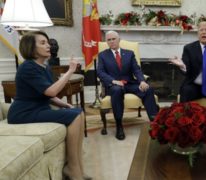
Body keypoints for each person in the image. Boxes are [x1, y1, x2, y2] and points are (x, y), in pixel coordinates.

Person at [7, 31, 88, 180]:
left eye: (47, 42)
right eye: (43, 43)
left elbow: (47, 95)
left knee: (79, 111)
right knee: (75, 116)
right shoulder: (27, 67)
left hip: (39, 108)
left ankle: (78, 166)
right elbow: (51, 91)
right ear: (31, 47)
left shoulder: (44, 67)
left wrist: (65, 104)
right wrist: (70, 71)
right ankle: (73, 169)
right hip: (24, 113)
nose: (48, 46)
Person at [97, 31, 159, 140]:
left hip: (129, 83)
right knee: (117, 91)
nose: (111, 41)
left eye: (113, 39)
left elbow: (136, 70)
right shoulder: (103, 55)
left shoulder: (129, 53)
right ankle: (119, 125)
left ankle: (156, 125)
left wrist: (142, 81)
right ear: (106, 42)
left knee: (148, 90)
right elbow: (100, 72)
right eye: (109, 40)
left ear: (119, 39)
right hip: (114, 86)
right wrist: (113, 81)